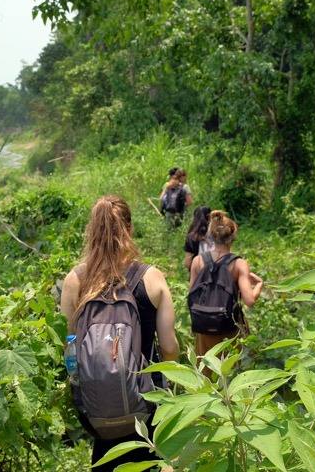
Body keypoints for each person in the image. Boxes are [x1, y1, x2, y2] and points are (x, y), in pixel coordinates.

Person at [61, 195, 179, 471]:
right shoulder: (151, 278)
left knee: (106, 460)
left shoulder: (75, 281)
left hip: (97, 408)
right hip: (147, 405)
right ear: (130, 229)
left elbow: (69, 348)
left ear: (92, 231)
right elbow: (170, 347)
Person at [188, 210, 263, 356]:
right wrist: (259, 284)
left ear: (210, 236)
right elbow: (249, 301)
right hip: (230, 328)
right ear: (233, 236)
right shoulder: (239, 264)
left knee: (206, 371)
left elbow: (192, 293)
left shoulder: (197, 261)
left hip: (204, 328)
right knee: (231, 369)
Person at [183, 206, 212, 272]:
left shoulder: (192, 236)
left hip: (198, 272)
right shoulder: (216, 232)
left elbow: (187, 263)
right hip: (216, 272)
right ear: (210, 217)